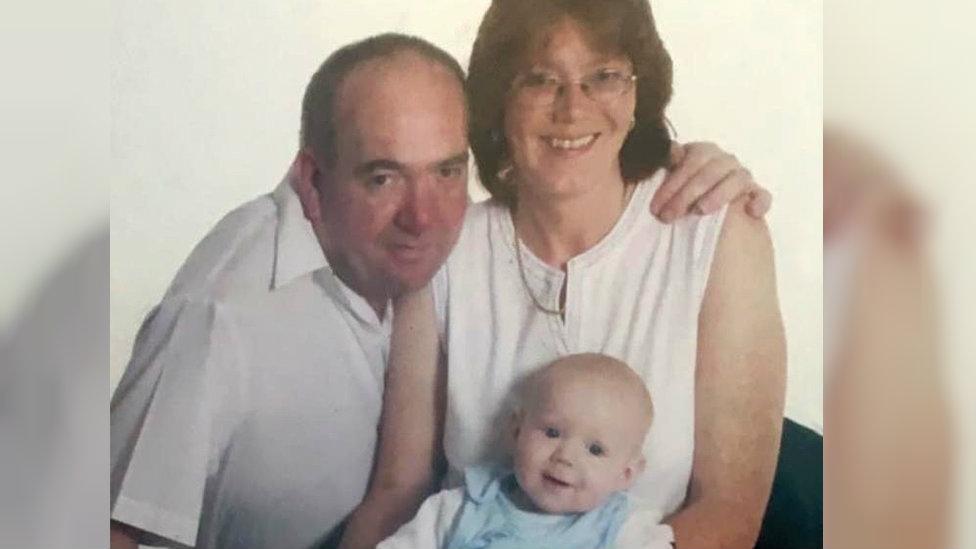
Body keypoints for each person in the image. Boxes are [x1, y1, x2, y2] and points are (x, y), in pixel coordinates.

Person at [110, 32, 768, 549]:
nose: (423, 217)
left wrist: (669, 154)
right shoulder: (222, 310)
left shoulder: (420, 264)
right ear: (312, 180)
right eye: (382, 177)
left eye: (447, 171)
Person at [341, 2, 787, 549]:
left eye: (603, 77)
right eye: (539, 79)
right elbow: (398, 492)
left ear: (636, 93)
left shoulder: (716, 233)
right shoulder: (446, 251)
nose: (572, 109)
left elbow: (730, 516)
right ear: (497, 101)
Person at [377, 353, 675, 549]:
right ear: (517, 431)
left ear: (626, 473)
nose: (565, 457)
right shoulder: (464, 505)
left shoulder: (624, 528)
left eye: (595, 450)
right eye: (552, 432)